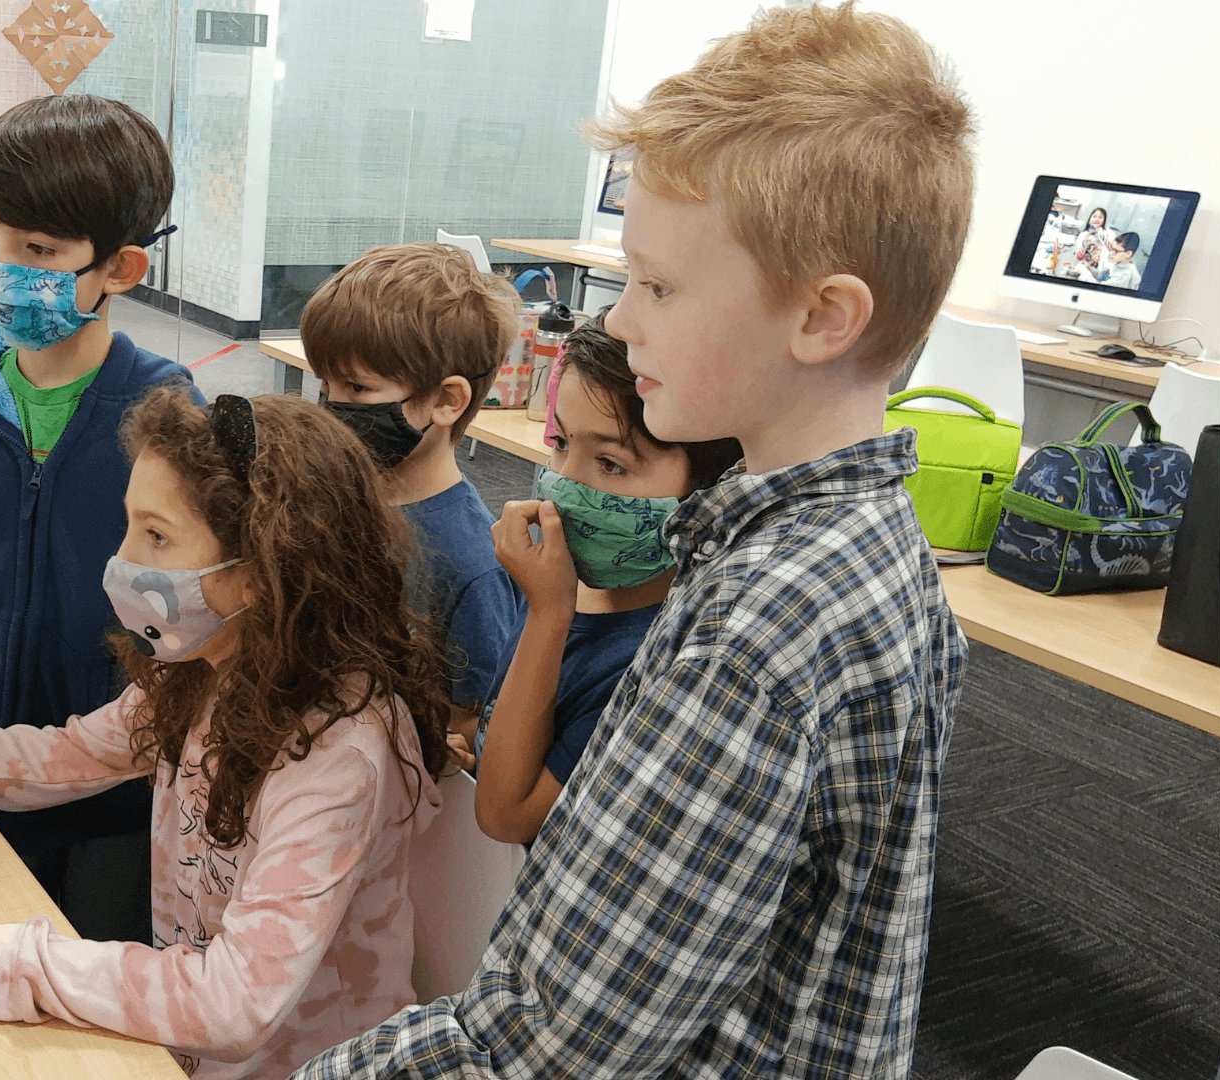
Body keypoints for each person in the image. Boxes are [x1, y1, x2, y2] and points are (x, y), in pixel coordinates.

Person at [293, 3, 972, 1076]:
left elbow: (551, 1043)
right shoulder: (861, 541)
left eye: (657, 285)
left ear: (822, 318)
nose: (618, 322)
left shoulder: (759, 636)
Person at [0, 391, 452, 1080]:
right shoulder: (204, 667)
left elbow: (233, 1005)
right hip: (188, 1053)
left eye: (156, 535)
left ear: (263, 572)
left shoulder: (338, 751)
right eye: (130, 525)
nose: (123, 560)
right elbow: (61, 755)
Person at [0, 93, 197, 942]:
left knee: (89, 1005)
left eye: (39, 249)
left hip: (115, 799)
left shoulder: (169, 420)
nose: (0, 266)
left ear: (121, 269)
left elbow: (197, 606)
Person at [470, 316, 739, 843]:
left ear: (704, 488)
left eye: (611, 464)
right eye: (562, 443)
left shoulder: (649, 659)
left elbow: (507, 815)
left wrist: (550, 613)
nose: (564, 485)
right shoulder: (564, 573)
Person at [300, 243, 525, 751]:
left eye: (357, 389)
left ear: (447, 401)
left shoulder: (473, 564)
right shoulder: (327, 502)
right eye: (326, 385)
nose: (333, 407)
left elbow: (467, 722)